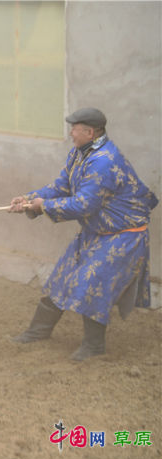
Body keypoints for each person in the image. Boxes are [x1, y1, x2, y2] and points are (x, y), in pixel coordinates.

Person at [10, 107, 158, 361]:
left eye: (74, 129)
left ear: (90, 132)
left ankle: (93, 347)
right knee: (62, 277)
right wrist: (29, 199)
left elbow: (83, 205)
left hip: (123, 235)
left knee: (92, 283)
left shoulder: (103, 162)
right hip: (98, 231)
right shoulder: (80, 153)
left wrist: (42, 206)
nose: (70, 134)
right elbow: (62, 187)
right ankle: (38, 331)